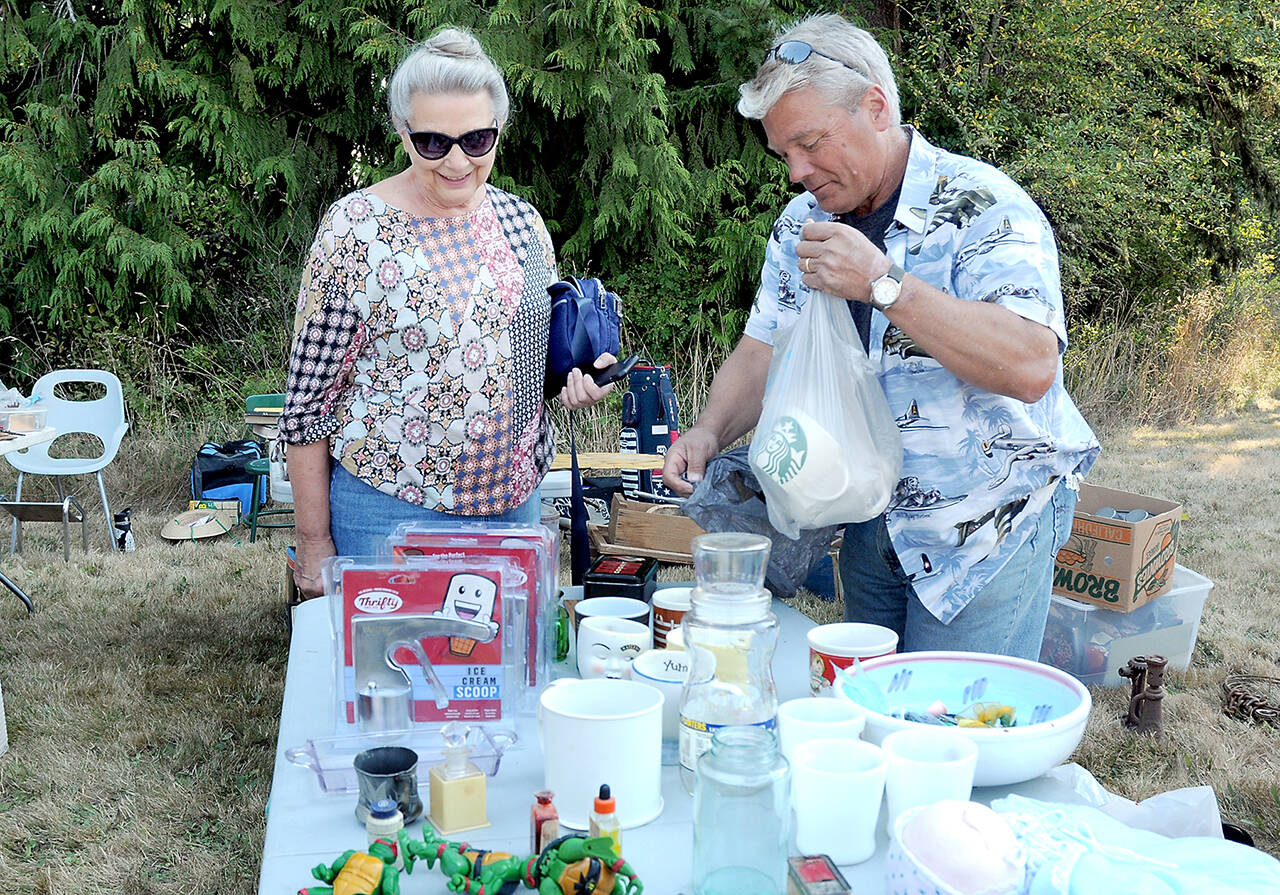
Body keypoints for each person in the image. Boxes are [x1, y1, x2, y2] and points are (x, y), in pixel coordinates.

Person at [662, 14, 1100, 659]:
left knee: (958, 727)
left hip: (986, 522)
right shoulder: (802, 224)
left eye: (812, 143)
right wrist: (708, 431)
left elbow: (1031, 365)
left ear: (875, 107)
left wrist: (883, 284)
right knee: (873, 711)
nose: (796, 171)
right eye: (784, 153)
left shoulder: (983, 205)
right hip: (871, 519)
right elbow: (764, 348)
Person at [280, 28, 615, 598]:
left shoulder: (523, 224)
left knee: (501, 678)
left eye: (477, 139)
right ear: (403, 135)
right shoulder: (354, 229)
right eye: (434, 142)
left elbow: (532, 366)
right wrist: (314, 544)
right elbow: (308, 404)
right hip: (389, 516)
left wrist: (575, 381)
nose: (458, 160)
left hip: (514, 511)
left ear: (499, 132)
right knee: (392, 680)